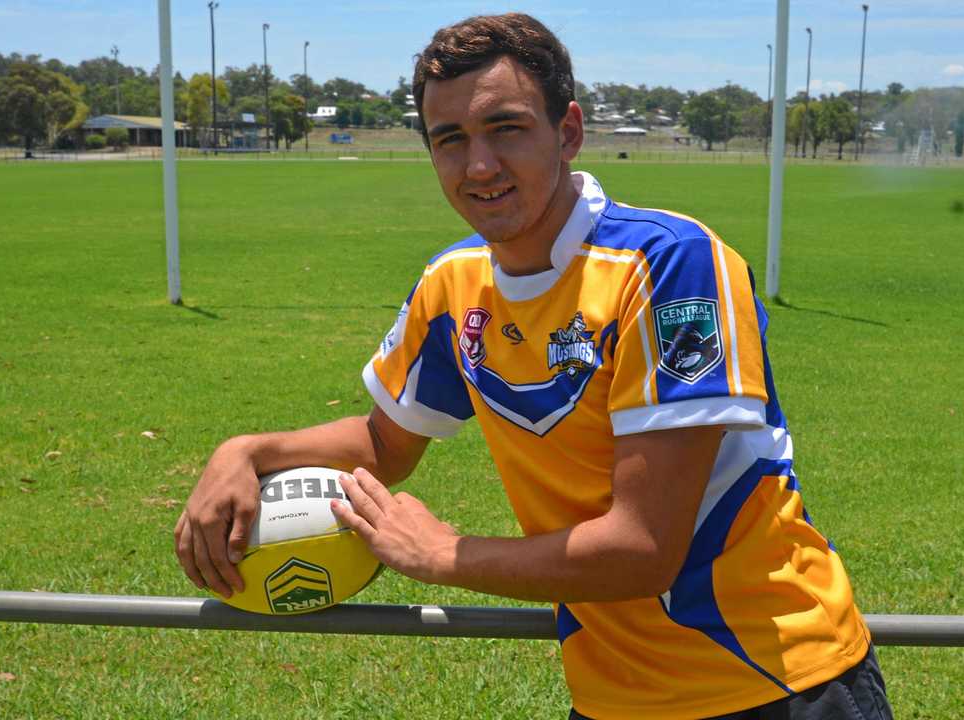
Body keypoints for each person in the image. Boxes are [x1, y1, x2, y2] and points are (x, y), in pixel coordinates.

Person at [174, 13, 891, 720]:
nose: (478, 165)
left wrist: (444, 553)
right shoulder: (451, 287)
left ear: (569, 132)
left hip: (779, 681)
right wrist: (247, 452)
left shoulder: (669, 263)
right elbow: (385, 445)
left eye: (506, 128)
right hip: (614, 694)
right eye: (449, 140)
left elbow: (642, 550)